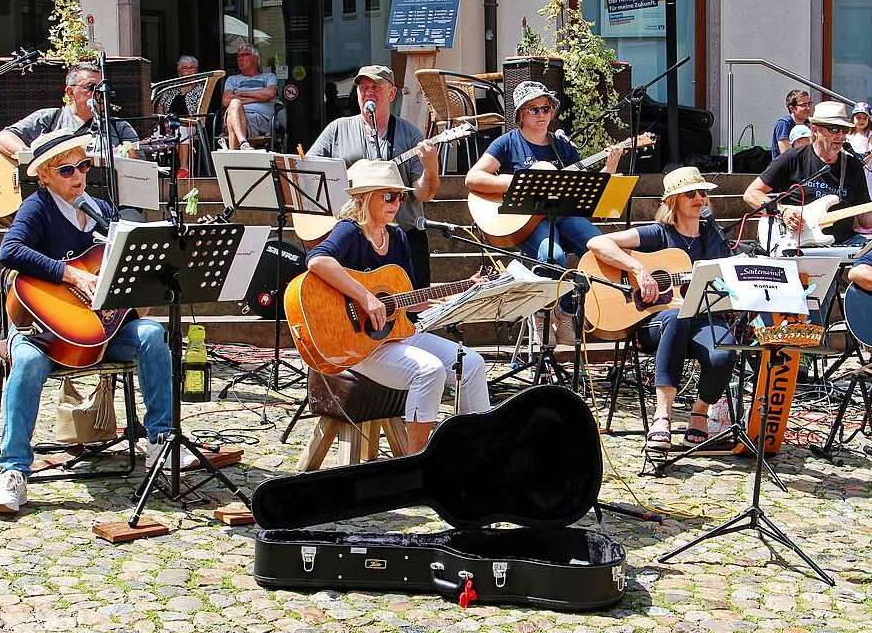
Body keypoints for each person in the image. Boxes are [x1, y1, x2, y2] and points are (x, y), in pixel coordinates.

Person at [0, 129, 191, 515]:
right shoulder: (38, 208)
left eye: (83, 166)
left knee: (151, 333)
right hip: (42, 331)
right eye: (66, 170)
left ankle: (160, 443)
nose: (78, 175)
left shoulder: (101, 209)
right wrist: (72, 276)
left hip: (99, 330)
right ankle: (14, 471)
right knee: (28, 364)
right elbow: (9, 251)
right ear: (44, 176)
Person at [305, 159, 490, 453]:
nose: (397, 203)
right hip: (359, 342)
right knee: (429, 371)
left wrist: (460, 293)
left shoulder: (399, 236)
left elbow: (410, 301)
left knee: (472, 363)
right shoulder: (349, 231)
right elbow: (317, 260)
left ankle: (480, 450)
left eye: (400, 196)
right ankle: (417, 462)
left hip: (398, 333)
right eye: (389, 196)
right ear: (365, 197)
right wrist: (365, 297)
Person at [585, 167, 735, 451]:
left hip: (704, 318)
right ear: (673, 201)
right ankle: (662, 415)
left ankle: (699, 412)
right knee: (677, 316)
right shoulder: (658, 234)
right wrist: (638, 269)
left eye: (702, 193)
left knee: (724, 353)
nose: (699, 199)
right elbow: (596, 242)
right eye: (690, 193)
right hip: (654, 322)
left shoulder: (713, 236)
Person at [465, 80, 624, 268]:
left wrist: (610, 168)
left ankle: (598, 296)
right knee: (554, 259)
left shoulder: (562, 146)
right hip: (526, 220)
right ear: (520, 115)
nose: (541, 114)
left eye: (546, 109)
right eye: (534, 109)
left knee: (604, 249)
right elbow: (473, 178)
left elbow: (583, 186)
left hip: (564, 214)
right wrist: (518, 182)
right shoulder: (507, 143)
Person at [308, 65, 439, 290]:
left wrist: (431, 169)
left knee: (413, 307)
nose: (368, 92)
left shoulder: (409, 135)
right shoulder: (337, 130)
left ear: (392, 93)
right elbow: (308, 173)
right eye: (363, 87)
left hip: (402, 237)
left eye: (376, 87)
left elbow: (422, 194)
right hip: (354, 236)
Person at [744, 101, 872, 247]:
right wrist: (782, 212)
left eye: (844, 130)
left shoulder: (853, 166)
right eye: (833, 129)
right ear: (815, 130)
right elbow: (751, 193)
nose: (840, 135)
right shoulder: (794, 158)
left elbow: (865, 221)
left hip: (843, 243)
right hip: (796, 243)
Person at [0, 62, 140, 165]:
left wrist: (130, 156)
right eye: (91, 87)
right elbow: (3, 138)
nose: (99, 93)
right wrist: (36, 160)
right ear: (70, 92)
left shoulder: (118, 127)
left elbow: (140, 163)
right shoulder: (48, 118)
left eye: (102, 88)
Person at [153, 55, 204, 178]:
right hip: (167, 124)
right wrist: (164, 121)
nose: (189, 71)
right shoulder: (171, 88)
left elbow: (202, 111)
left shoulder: (201, 88)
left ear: (196, 70)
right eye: (185, 68)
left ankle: (183, 168)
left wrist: (179, 122)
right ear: (179, 71)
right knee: (153, 130)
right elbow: (160, 107)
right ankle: (153, 167)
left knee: (181, 128)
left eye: (192, 68)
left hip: (190, 124)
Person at [223, 44, 278, 150]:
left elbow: (270, 94)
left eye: (244, 55)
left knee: (233, 116)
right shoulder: (232, 79)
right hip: (238, 116)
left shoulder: (269, 77)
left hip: (260, 119)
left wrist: (240, 94)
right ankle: (243, 142)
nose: (240, 59)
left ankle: (234, 163)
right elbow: (226, 101)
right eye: (238, 56)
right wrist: (259, 97)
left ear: (256, 59)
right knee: (234, 105)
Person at [847, 102, 872, 213]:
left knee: (871, 193)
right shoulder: (848, 136)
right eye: (858, 118)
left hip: (867, 167)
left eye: (865, 118)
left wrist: (862, 162)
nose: (861, 121)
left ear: (869, 120)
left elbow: (871, 151)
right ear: (853, 118)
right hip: (853, 168)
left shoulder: (871, 134)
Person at [770, 89, 812, 158]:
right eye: (803, 105)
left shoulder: (809, 124)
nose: (808, 108)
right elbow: (786, 155)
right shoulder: (784, 124)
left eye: (809, 104)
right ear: (792, 108)